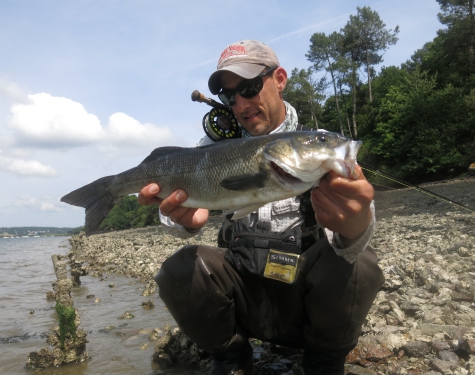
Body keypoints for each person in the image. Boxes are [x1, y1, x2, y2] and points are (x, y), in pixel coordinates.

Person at [138, 40, 384, 375]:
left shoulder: (319, 144)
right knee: (182, 267)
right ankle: (231, 358)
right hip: (244, 301)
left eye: (250, 87)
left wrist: (355, 223)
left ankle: (324, 363)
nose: (241, 103)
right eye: (230, 96)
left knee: (361, 264)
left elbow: (352, 239)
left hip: (304, 305)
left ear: (279, 79)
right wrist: (183, 220)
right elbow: (171, 207)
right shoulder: (211, 149)